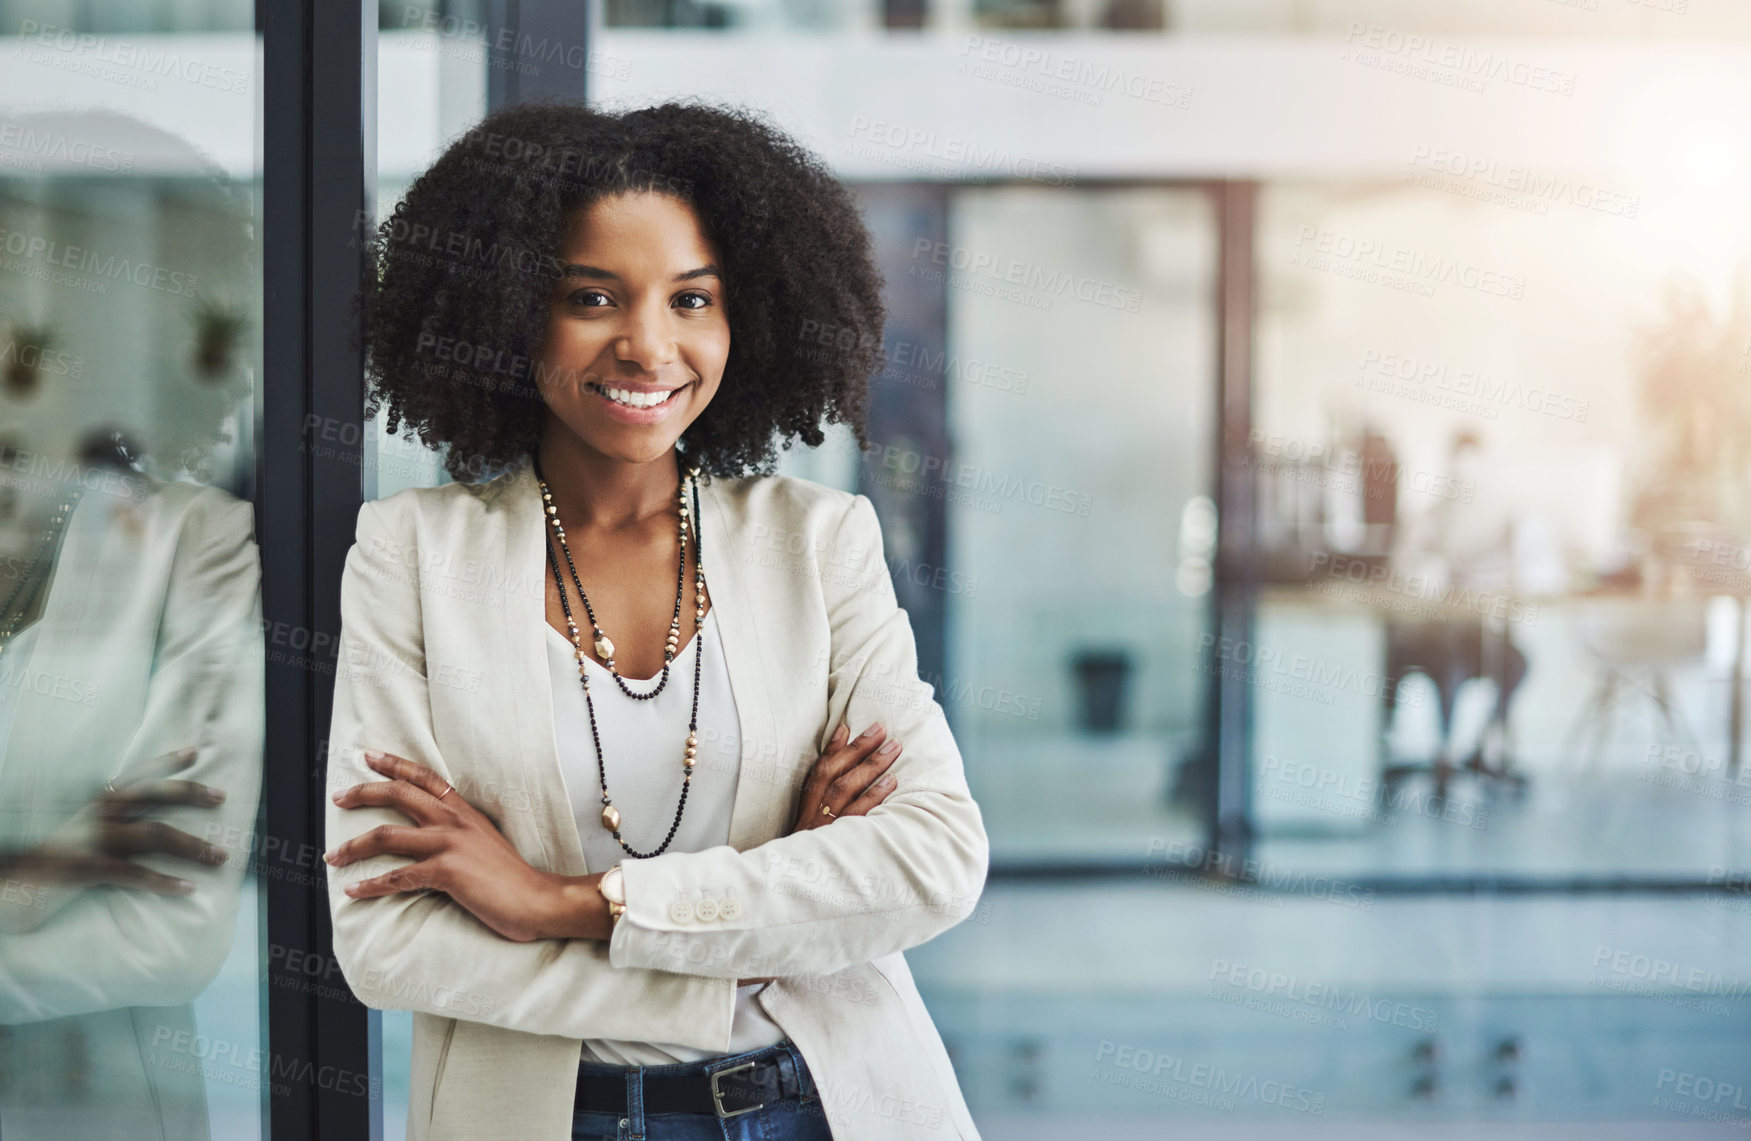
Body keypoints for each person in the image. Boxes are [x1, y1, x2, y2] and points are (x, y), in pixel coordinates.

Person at [324, 100, 989, 1141]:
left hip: (818, 1105)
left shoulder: (819, 543)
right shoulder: (411, 555)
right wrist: (762, 934)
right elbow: (392, 944)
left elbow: (932, 858)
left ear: (746, 320)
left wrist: (564, 904)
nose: (647, 345)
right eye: (591, 297)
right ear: (504, 313)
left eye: (693, 299)